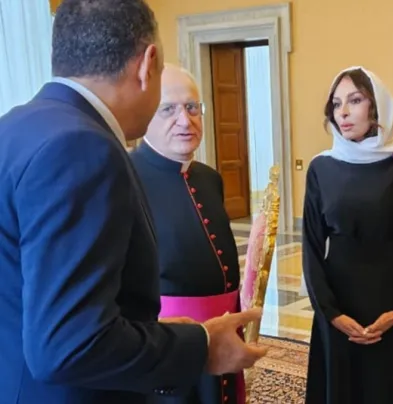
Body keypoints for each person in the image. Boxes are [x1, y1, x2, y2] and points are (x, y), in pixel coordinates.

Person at [0, 1, 266, 402]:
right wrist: (200, 346)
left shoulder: (15, 126)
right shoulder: (82, 146)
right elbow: (70, 345)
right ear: (148, 64)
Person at [302, 66, 393, 404]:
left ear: (376, 106)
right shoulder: (321, 167)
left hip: (390, 297)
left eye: (355, 100)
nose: (343, 113)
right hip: (338, 299)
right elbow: (311, 246)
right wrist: (330, 312)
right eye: (336, 104)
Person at [130, 64, 247, 404]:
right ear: (146, 114)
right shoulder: (125, 176)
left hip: (222, 331)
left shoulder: (209, 178)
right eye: (168, 109)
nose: (185, 120)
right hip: (167, 344)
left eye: (192, 107)